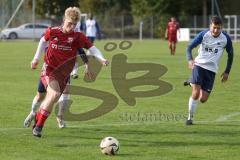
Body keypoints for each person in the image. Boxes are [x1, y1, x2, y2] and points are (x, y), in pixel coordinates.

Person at [30, 7, 108, 137]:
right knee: (54, 95)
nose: (71, 27)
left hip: (64, 74)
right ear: (64, 20)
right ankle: (39, 127)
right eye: (69, 23)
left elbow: (92, 48)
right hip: (49, 69)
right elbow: (43, 41)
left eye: (74, 24)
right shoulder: (53, 31)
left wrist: (102, 58)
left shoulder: (78, 37)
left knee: (52, 99)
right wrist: (35, 59)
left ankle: (39, 116)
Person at [184, 16, 234, 125]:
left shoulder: (225, 38)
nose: (216, 30)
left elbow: (231, 55)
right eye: (214, 27)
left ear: (222, 28)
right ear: (210, 26)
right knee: (196, 94)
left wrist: (227, 72)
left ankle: (191, 82)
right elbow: (189, 47)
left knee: (203, 99)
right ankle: (190, 118)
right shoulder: (203, 34)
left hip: (211, 71)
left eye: (218, 28)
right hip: (199, 66)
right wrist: (189, 60)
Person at [71, 13, 101, 79]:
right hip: (85, 36)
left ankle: (74, 72)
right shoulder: (71, 22)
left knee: (81, 53)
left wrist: (98, 33)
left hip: (86, 37)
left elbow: (82, 29)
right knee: (74, 57)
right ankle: (73, 72)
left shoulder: (92, 21)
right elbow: (84, 28)